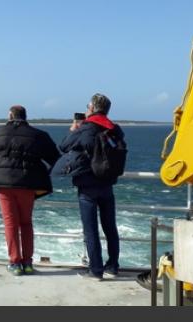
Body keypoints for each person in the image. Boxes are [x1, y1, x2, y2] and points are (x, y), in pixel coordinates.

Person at [0, 105, 60, 276]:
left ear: (10, 115)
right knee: (26, 222)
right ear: (25, 116)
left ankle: (15, 263)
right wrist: (40, 172)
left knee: (10, 223)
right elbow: (55, 158)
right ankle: (28, 262)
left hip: (4, 185)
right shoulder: (39, 135)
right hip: (28, 184)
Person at [59, 93, 124, 281]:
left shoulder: (86, 128)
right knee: (110, 227)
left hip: (88, 185)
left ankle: (95, 270)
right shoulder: (114, 129)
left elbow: (63, 146)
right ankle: (112, 266)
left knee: (91, 229)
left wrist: (73, 130)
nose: (86, 109)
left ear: (92, 108)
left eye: (88, 106)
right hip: (107, 183)